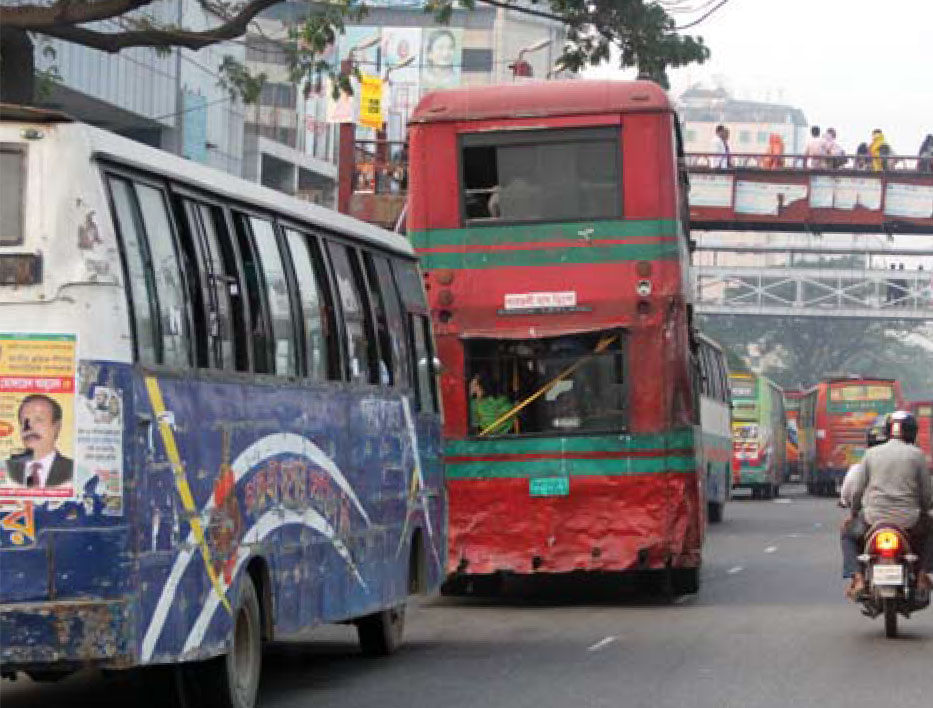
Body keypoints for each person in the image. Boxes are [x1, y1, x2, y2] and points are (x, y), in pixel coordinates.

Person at [842, 411, 933, 599]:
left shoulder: (871, 454)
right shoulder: (917, 455)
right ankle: (923, 575)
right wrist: (925, 511)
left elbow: (857, 490)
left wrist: (853, 513)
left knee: (848, 534)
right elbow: (926, 494)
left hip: (874, 518)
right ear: (912, 433)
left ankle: (857, 578)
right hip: (909, 520)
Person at [4, 394, 74, 488]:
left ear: (56, 427)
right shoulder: (6, 469)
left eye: (38, 420)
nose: (28, 428)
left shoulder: (73, 470)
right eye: (24, 421)